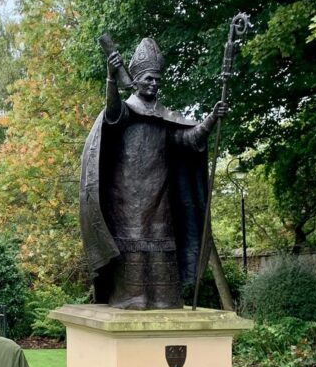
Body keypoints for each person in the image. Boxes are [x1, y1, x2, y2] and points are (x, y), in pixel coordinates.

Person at [79, 37, 229, 309]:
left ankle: (163, 302)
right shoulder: (126, 113)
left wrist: (211, 119)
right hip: (125, 206)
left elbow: (189, 140)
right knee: (132, 285)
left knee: (164, 294)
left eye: (157, 79)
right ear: (135, 81)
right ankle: (128, 300)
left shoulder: (165, 117)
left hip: (161, 205)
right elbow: (112, 113)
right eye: (148, 78)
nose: (154, 83)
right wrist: (111, 79)